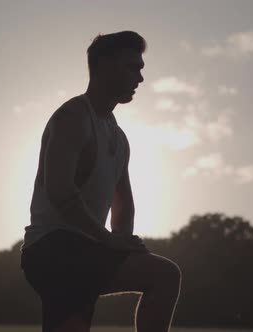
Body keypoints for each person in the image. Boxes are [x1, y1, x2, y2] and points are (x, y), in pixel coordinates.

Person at [20, 31, 181, 332]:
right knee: (164, 275)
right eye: (133, 68)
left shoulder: (119, 138)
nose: (140, 79)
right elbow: (61, 193)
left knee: (160, 275)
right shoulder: (72, 117)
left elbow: (123, 206)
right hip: (52, 250)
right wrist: (108, 240)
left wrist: (125, 243)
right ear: (105, 65)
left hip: (82, 251)